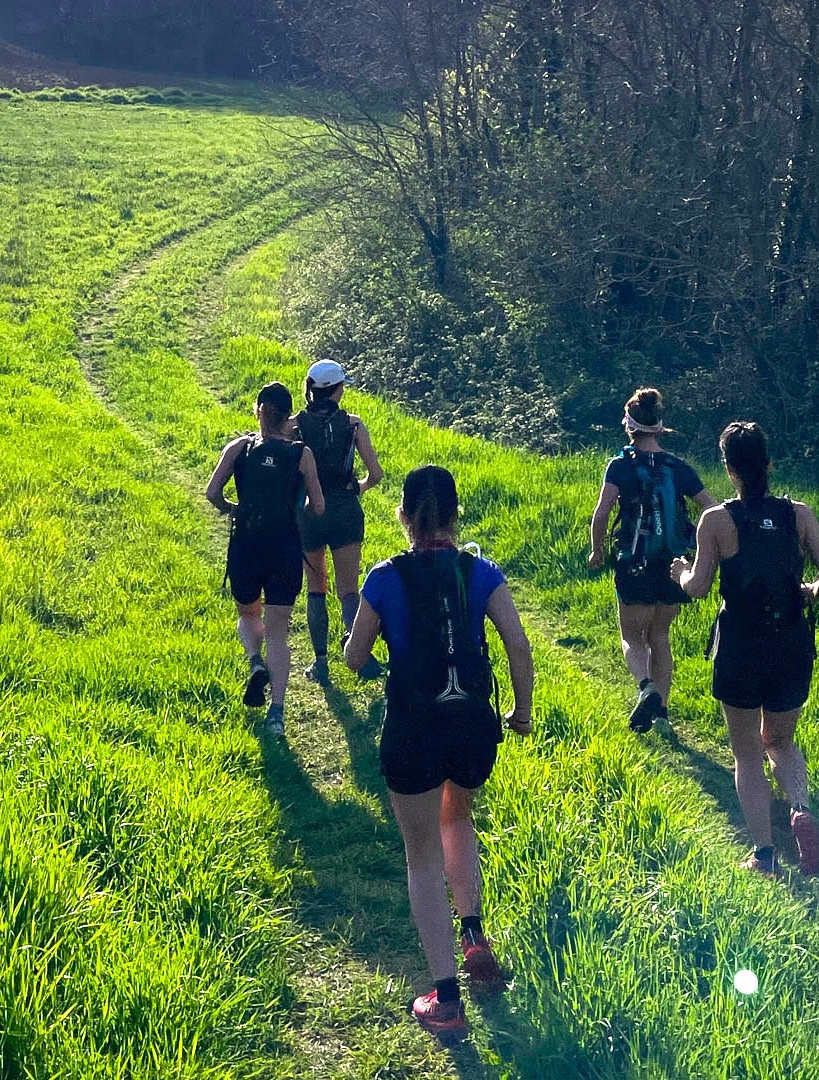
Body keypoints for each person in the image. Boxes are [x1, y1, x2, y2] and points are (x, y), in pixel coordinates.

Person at [345, 465, 535, 1036]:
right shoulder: (479, 573)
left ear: (403, 515)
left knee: (421, 851)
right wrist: (521, 712)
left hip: (413, 728)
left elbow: (354, 660)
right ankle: (474, 933)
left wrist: (376, 646)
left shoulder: (384, 578)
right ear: (455, 517)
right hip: (471, 727)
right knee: (459, 815)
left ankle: (445, 1000)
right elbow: (519, 646)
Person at [671, 421, 819, 877]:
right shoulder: (798, 514)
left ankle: (764, 855)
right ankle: (800, 809)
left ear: (729, 470)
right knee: (780, 741)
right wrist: (810, 592)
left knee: (747, 752)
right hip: (790, 643)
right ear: (769, 464)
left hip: (741, 645)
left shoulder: (717, 520)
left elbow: (699, 588)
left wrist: (680, 571)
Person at [587, 388, 716, 733]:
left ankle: (646, 688)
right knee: (660, 634)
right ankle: (662, 716)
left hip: (634, 563)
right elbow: (712, 509)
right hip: (674, 565)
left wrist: (597, 550)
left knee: (631, 634)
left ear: (629, 426)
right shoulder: (678, 467)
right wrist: (703, 553)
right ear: (660, 426)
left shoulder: (620, 466)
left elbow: (602, 515)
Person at [205, 382, 326, 737]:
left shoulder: (239, 448)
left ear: (259, 411)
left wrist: (233, 509)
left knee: (247, 614)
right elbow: (317, 506)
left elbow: (213, 493)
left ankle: (255, 662)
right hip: (284, 548)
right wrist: (294, 508)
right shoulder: (301, 454)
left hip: (246, 544)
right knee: (278, 632)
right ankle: (277, 713)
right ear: (288, 416)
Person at [293, 359, 386, 684]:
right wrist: (357, 488)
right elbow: (375, 474)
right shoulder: (354, 425)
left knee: (316, 589)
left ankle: (320, 665)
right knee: (348, 590)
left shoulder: (295, 426)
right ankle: (357, 648)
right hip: (346, 509)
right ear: (337, 390)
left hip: (310, 513)